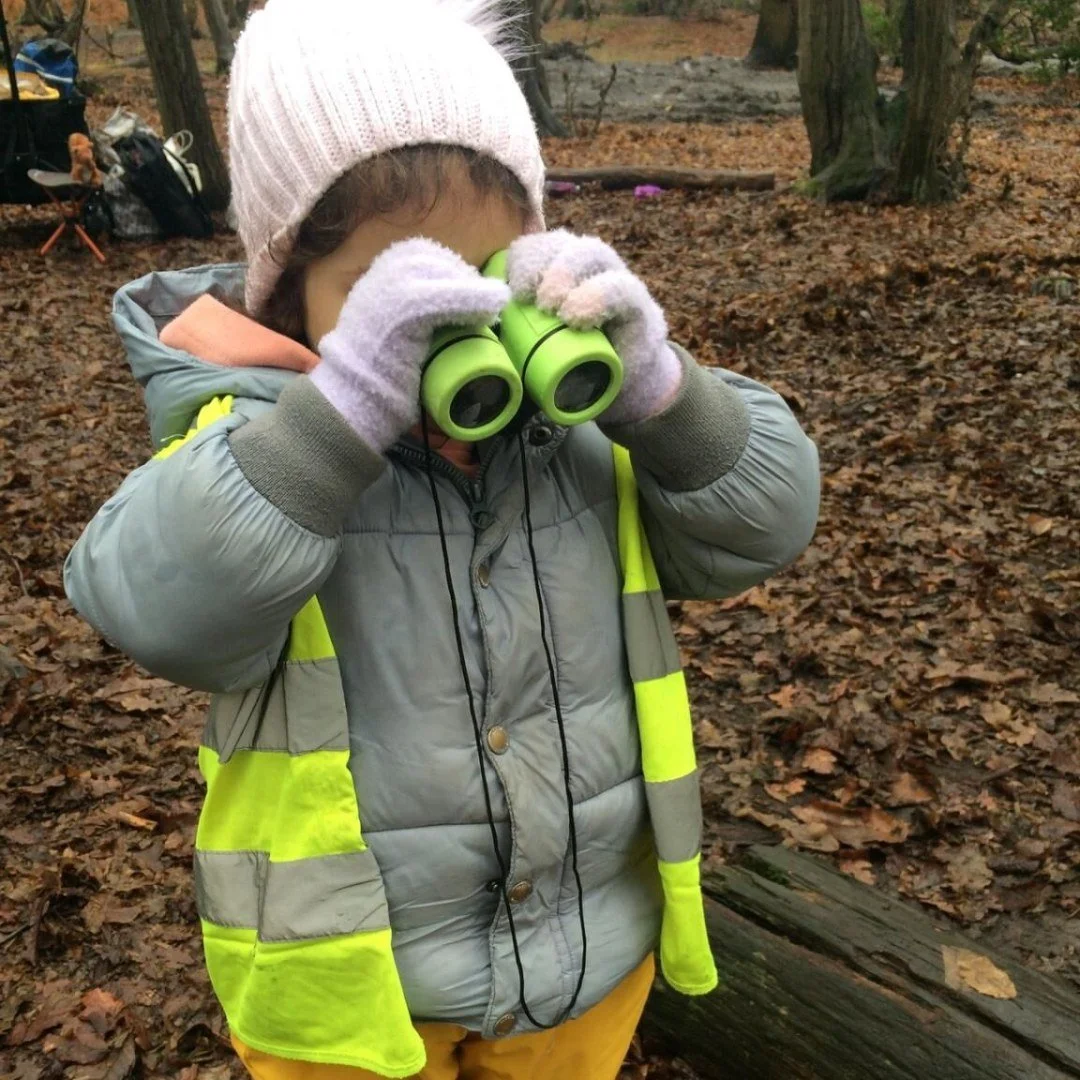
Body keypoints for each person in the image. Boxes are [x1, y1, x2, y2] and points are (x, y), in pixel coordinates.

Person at [64, 1, 820, 1077]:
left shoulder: (580, 432)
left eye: (486, 281)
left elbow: (769, 518)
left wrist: (659, 392)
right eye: (396, 296)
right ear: (289, 301)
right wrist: (339, 420)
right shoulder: (254, 444)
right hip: (349, 992)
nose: (457, 331)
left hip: (580, 964)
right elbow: (154, 606)